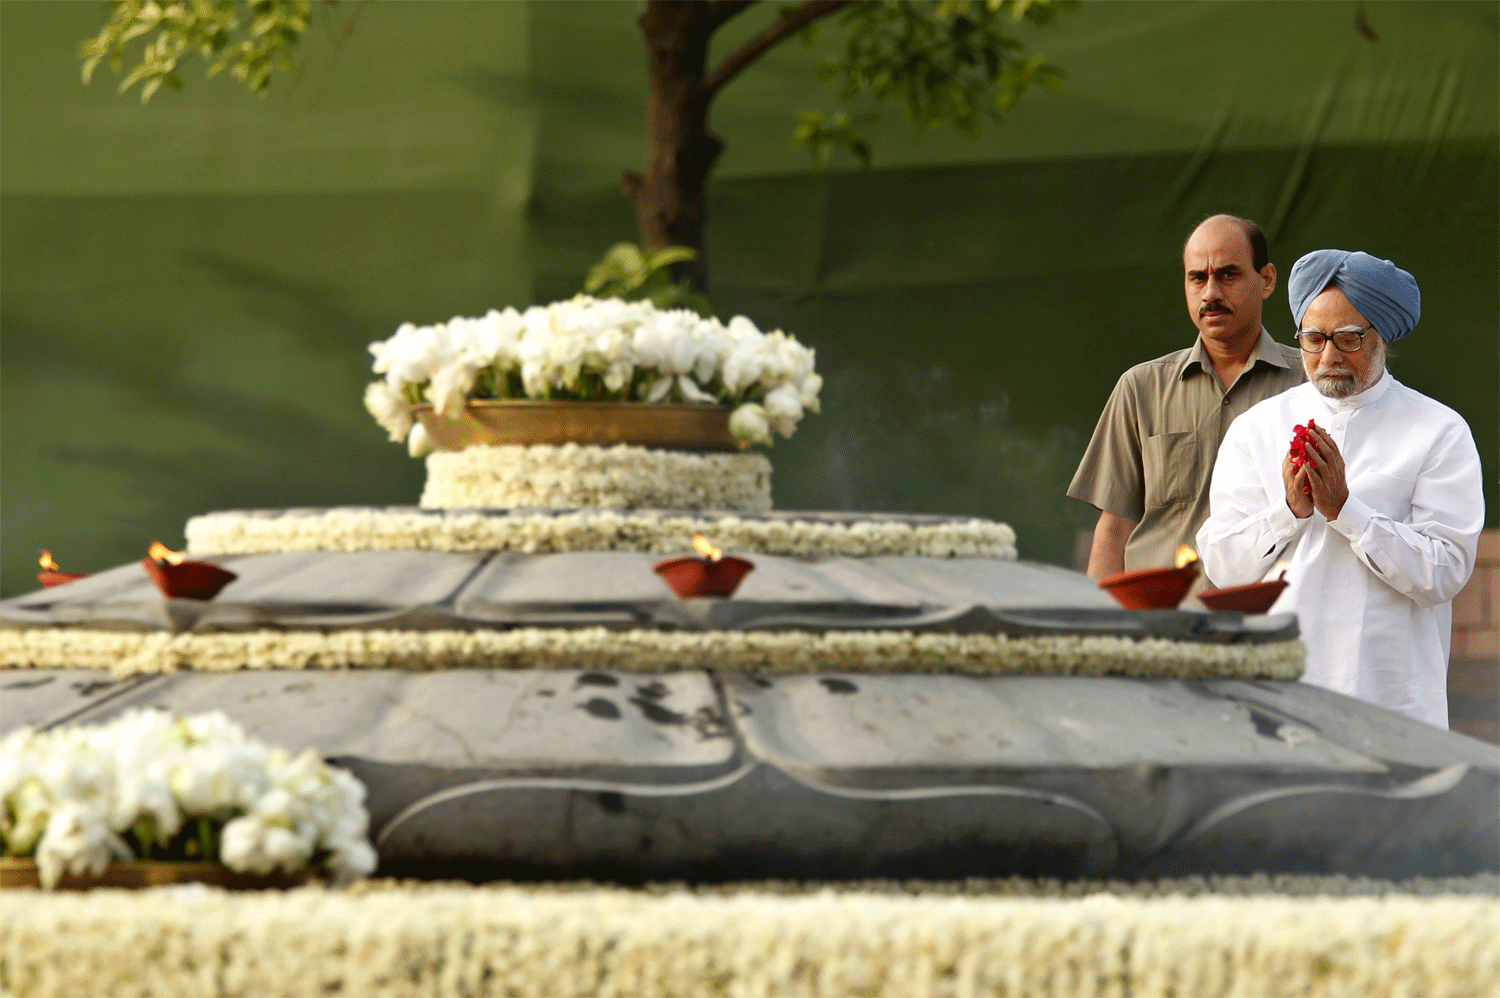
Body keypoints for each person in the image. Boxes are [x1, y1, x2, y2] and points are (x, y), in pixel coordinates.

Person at [1197, 250, 1484, 727]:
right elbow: (1225, 568)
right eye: (1313, 339)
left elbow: (1446, 571)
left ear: (1382, 337)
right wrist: (1289, 510)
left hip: (1389, 697)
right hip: (1279, 696)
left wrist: (1347, 511)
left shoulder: (1437, 430)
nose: (1328, 356)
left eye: (1348, 338)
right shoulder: (1257, 429)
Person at [1069, 215, 1306, 581]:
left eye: (1228, 274)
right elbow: (1115, 528)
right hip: (1164, 624)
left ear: (1267, 280)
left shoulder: (1309, 384)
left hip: (1273, 622)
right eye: (1198, 277)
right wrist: (1102, 629)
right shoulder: (1141, 389)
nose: (1210, 292)